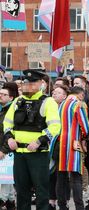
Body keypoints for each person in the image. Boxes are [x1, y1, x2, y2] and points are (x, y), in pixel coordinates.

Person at [3, 70, 61, 210]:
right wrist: (9, 138)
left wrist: (39, 141)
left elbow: (55, 126)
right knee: (22, 191)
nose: (28, 86)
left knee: (41, 191)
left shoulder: (48, 102)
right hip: (19, 153)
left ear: (41, 84)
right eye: (26, 83)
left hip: (38, 154)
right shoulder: (18, 100)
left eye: (32, 83)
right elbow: (7, 123)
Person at [57, 86, 89, 210]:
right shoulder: (79, 104)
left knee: (61, 177)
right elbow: (86, 127)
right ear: (81, 95)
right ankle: (79, 207)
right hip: (73, 143)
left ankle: (62, 206)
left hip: (60, 144)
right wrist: (86, 137)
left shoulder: (61, 104)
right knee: (76, 177)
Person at [0, 82, 19, 210]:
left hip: (7, 150)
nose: (0, 96)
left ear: (11, 97)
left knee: (5, 179)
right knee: (6, 179)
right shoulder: (2, 109)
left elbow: (11, 133)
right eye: (0, 93)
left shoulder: (12, 111)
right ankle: (11, 201)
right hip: (3, 149)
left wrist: (4, 150)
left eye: (4, 94)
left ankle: (3, 200)